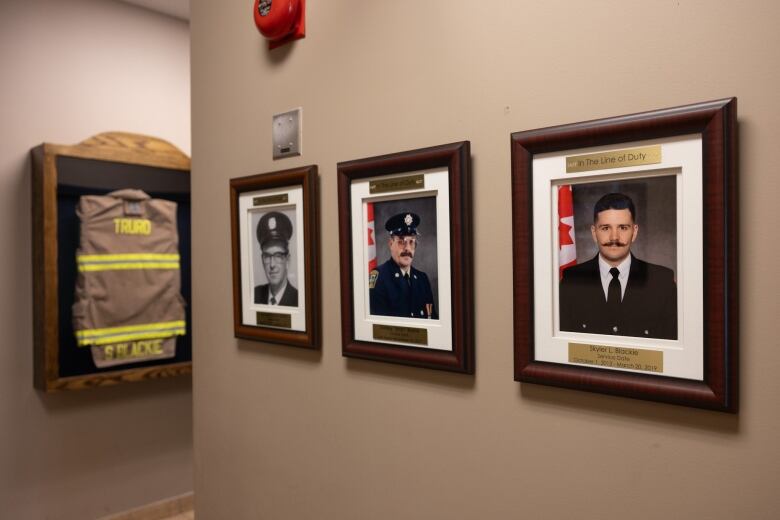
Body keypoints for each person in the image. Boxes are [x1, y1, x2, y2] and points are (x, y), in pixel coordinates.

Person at [559, 192, 677, 339]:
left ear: (634, 232)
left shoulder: (662, 282)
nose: (614, 237)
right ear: (594, 233)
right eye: (605, 228)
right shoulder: (571, 281)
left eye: (622, 227)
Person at [369, 212, 437, 319]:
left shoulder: (422, 279)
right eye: (401, 242)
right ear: (391, 244)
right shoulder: (379, 277)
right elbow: (379, 327)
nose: (407, 248)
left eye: (411, 242)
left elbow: (432, 320)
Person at [254, 211, 298, 306]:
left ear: (287, 260)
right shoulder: (254, 295)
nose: (272, 265)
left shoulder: (298, 300)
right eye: (267, 256)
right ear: (262, 260)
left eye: (278, 256)